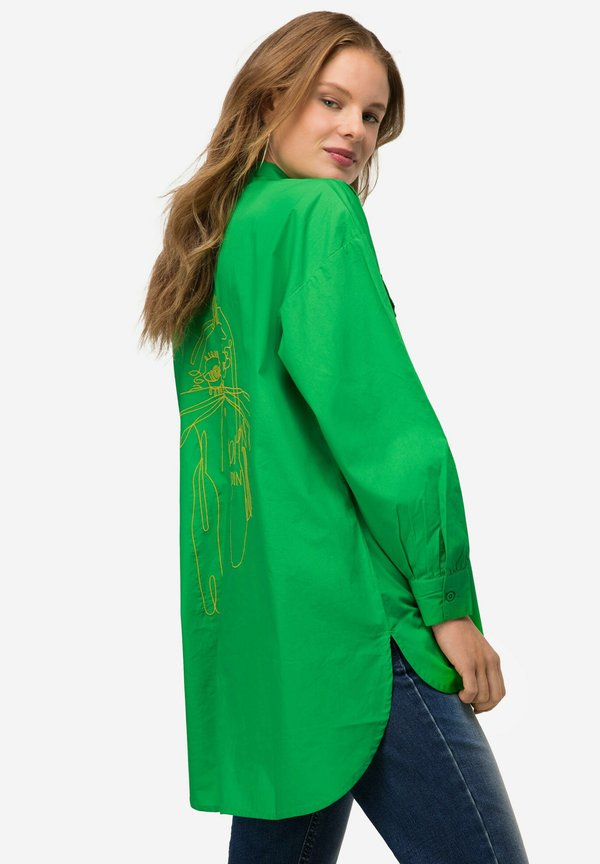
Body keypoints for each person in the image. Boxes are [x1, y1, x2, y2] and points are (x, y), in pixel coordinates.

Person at [139, 11, 530, 863]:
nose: (355, 129)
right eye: (331, 101)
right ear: (270, 98)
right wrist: (449, 606)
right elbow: (383, 431)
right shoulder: (319, 214)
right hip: (360, 625)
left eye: (372, 115)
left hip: (270, 638)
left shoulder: (218, 237)